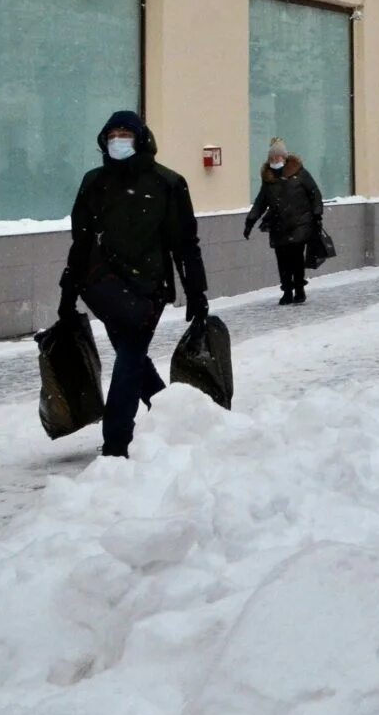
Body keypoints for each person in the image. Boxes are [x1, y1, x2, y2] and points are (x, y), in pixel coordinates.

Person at [59, 111, 208, 459]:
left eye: (125, 133)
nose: (118, 140)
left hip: (148, 289)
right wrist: (68, 291)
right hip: (106, 289)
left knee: (128, 358)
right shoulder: (94, 182)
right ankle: (168, 411)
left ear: (140, 137)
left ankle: (116, 441)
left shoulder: (167, 183)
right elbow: (80, 241)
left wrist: (197, 293)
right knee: (133, 359)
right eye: (112, 134)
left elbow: (185, 244)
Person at [243, 138, 324, 305]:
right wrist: (250, 221)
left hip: (299, 223)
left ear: (284, 158)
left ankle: (299, 289)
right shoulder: (269, 179)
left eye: (278, 158)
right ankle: (287, 290)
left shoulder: (300, 174)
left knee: (295, 257)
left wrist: (317, 215)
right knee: (282, 259)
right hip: (278, 225)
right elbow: (260, 202)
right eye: (272, 159)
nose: (275, 161)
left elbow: (314, 193)